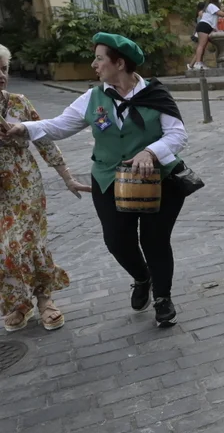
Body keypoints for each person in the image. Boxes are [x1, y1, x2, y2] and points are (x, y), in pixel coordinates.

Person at [0, 33, 191, 328]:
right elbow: (60, 125)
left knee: (155, 240)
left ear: (119, 63)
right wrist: (23, 128)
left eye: (99, 59)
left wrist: (151, 152)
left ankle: (163, 298)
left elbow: (177, 134)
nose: (94, 64)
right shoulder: (93, 98)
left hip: (158, 180)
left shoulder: (156, 94)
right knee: (117, 241)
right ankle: (143, 277)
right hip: (108, 180)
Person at [0, 45, 88, 332]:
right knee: (5, 250)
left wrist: (67, 178)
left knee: (27, 242)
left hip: (24, 184)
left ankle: (44, 299)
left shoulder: (19, 103)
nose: (1, 75)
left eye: (4, 69)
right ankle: (18, 304)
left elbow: (45, 140)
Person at [188, 0, 224, 70]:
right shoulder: (211, 6)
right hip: (204, 26)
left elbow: (214, 20)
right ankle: (197, 63)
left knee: (203, 46)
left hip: (207, 27)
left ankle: (195, 64)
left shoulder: (210, 7)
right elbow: (222, 14)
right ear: (216, 0)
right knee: (201, 45)